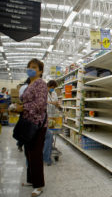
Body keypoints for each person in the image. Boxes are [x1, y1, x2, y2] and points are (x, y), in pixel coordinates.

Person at [14, 59, 48, 197]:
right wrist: (17, 106)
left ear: (40, 71)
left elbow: (40, 104)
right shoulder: (30, 83)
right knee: (28, 153)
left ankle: (39, 185)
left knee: (35, 155)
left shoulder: (40, 83)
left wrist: (23, 107)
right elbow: (26, 99)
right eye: (29, 67)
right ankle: (31, 180)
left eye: (34, 67)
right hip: (28, 123)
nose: (30, 69)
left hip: (37, 125)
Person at [43, 80, 59, 166]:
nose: (53, 89)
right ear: (49, 86)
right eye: (52, 88)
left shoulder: (54, 93)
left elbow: (56, 102)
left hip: (53, 116)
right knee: (48, 136)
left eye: (54, 88)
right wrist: (52, 102)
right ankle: (46, 156)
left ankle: (47, 151)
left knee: (50, 135)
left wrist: (57, 104)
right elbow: (43, 102)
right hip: (45, 116)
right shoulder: (43, 92)